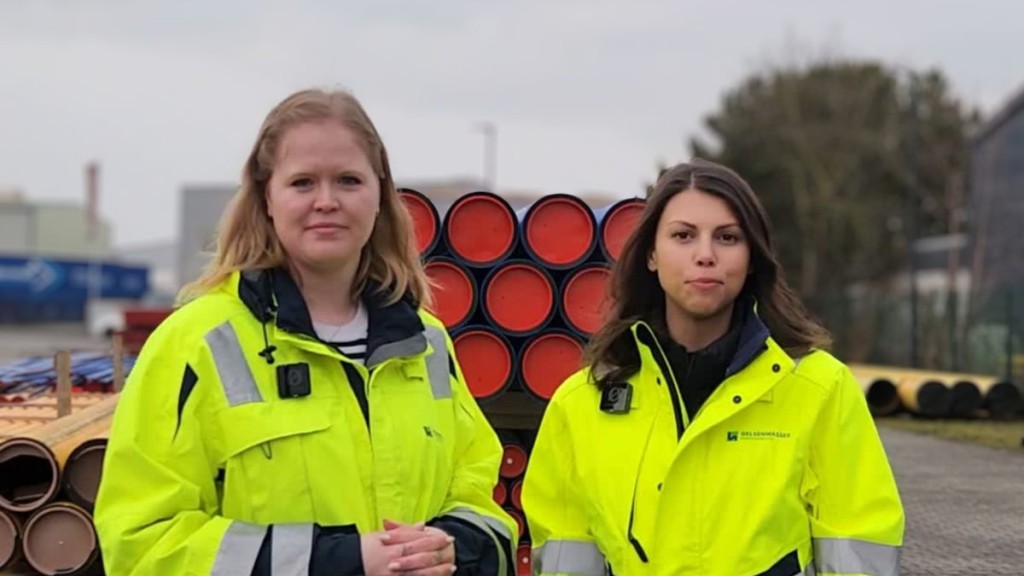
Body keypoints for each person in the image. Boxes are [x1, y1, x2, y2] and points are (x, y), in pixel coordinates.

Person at [93, 88, 517, 576]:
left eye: (348, 180)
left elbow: (479, 494)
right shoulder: (195, 344)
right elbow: (142, 541)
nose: (326, 201)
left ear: (380, 196)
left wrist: (452, 547)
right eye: (302, 183)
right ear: (267, 198)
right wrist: (342, 562)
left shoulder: (426, 343)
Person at [521, 159, 904, 576]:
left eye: (727, 237)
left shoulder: (820, 389)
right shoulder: (581, 405)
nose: (705, 255)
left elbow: (859, 545)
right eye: (683, 236)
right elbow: (567, 559)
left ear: (752, 257)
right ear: (651, 254)